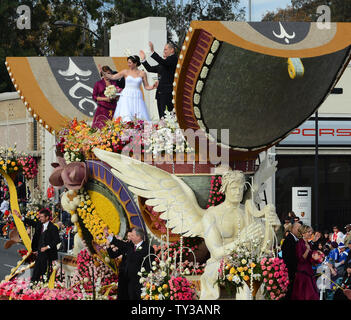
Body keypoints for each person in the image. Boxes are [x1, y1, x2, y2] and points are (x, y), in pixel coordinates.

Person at [100, 56, 155, 122]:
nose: (128, 64)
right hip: (126, 94)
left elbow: (146, 86)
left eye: (130, 63)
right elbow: (112, 77)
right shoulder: (125, 72)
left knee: (138, 114)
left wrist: (153, 87)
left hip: (137, 95)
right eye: (128, 63)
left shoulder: (142, 73)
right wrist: (103, 72)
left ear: (135, 63)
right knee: (126, 113)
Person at [104, 226, 154, 300]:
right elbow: (120, 244)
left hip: (139, 282)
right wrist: (109, 237)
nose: (130, 237)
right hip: (127, 280)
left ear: (138, 236)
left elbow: (149, 266)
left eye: (132, 235)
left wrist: (146, 279)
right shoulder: (130, 245)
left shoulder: (148, 248)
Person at [13, 208, 60, 283]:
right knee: (37, 271)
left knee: (45, 273)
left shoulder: (53, 228)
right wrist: (20, 217)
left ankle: (43, 285)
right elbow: (31, 222)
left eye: (41, 217)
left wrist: (47, 247)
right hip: (40, 253)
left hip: (49, 255)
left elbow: (57, 240)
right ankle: (33, 284)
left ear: (47, 217)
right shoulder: (39, 225)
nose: (40, 218)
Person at [140, 41, 178, 118]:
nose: (164, 51)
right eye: (164, 49)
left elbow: (165, 63)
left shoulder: (173, 59)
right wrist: (143, 60)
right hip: (160, 92)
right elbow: (150, 69)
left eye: (166, 49)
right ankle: (162, 128)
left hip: (167, 92)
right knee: (161, 115)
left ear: (172, 50)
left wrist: (153, 52)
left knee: (168, 115)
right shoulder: (163, 63)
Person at [291, 224, 320, 300]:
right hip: (303, 273)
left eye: (311, 231)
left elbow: (310, 259)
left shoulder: (309, 243)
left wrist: (316, 258)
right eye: (309, 232)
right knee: (304, 295)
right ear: (303, 233)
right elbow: (301, 259)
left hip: (309, 271)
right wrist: (307, 250)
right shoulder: (300, 243)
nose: (311, 233)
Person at [106, 228, 133, 300]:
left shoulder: (132, 245)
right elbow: (113, 255)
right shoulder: (126, 245)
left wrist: (110, 237)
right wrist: (108, 247)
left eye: (130, 236)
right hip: (123, 273)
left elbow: (122, 244)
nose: (128, 238)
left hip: (131, 274)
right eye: (128, 236)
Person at [281, 222, 300, 300]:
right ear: (293, 229)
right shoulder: (289, 239)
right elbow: (289, 257)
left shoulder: (295, 239)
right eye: (299, 229)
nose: (300, 231)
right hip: (291, 271)